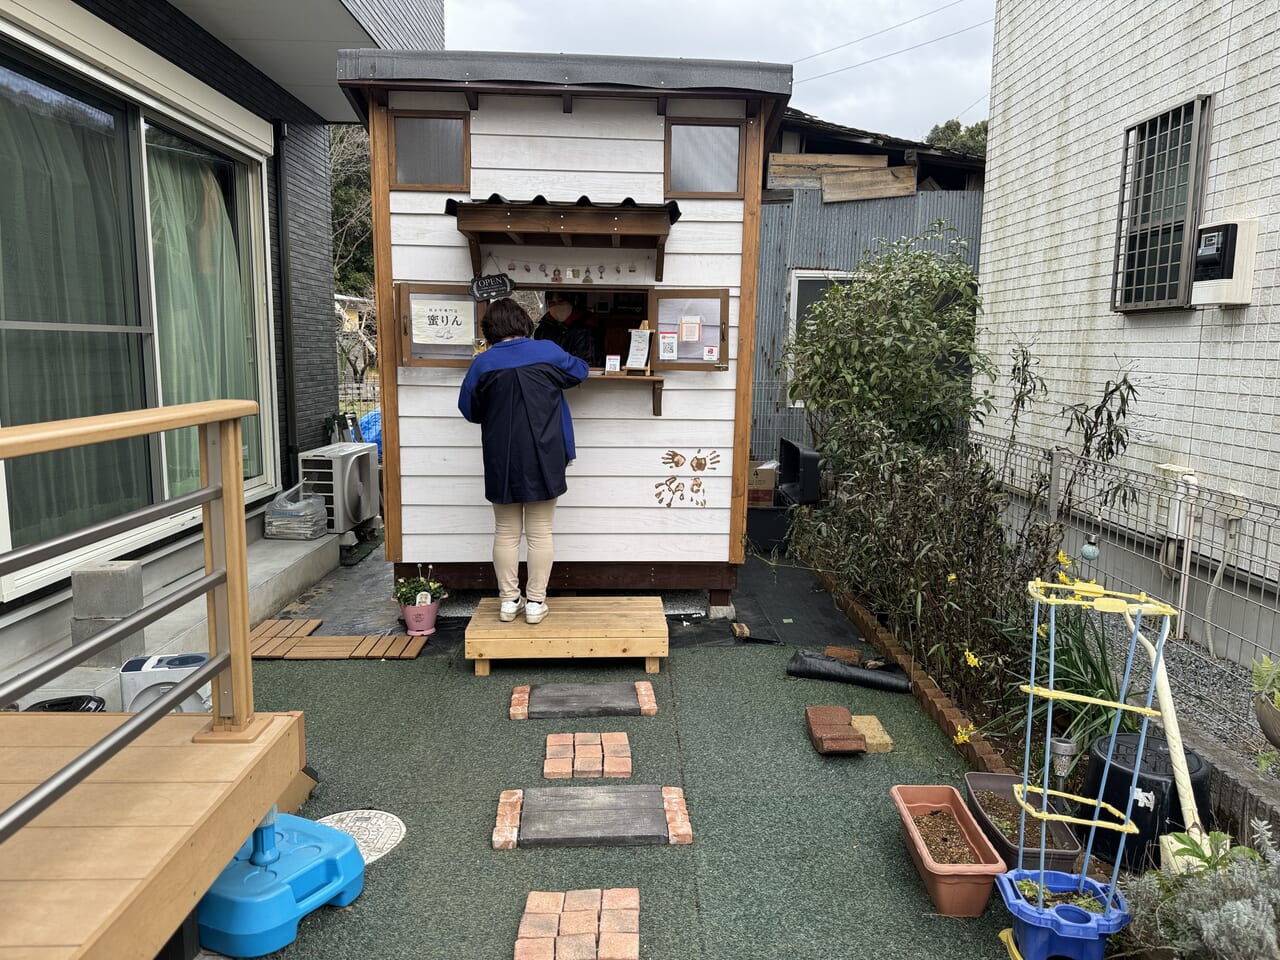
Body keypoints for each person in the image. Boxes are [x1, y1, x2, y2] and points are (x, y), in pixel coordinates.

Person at [458, 298, 589, 624]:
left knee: (505, 531)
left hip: (501, 455)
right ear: (524, 324)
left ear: (489, 331)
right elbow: (581, 370)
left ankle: (507, 602)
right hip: (546, 452)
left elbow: (469, 410)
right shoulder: (547, 350)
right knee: (541, 532)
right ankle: (535, 603)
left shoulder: (483, 363)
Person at [535, 291, 600, 367]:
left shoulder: (585, 329)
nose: (556, 306)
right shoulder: (543, 328)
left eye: (561, 301)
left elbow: (586, 363)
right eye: (551, 303)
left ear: (572, 302)